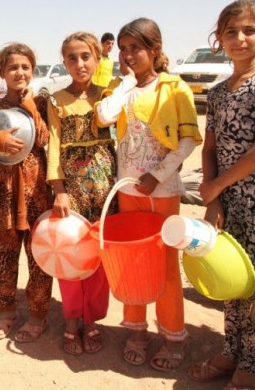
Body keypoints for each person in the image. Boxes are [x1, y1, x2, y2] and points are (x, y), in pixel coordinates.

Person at [189, 0, 255, 389]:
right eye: (231, 31)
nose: (240, 38)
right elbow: (209, 149)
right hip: (223, 200)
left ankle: (250, 367)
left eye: (249, 30)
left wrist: (216, 186)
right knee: (228, 278)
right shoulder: (216, 92)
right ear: (220, 38)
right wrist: (212, 200)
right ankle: (232, 351)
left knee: (252, 283)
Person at [96, 18, 202, 371]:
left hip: (162, 190)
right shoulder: (122, 87)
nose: (127, 55)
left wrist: (157, 175)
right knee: (134, 261)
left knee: (165, 265)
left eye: (135, 48)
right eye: (123, 49)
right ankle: (137, 330)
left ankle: (174, 336)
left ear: (155, 50)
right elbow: (103, 116)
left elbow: (188, 139)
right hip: (129, 190)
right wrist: (126, 80)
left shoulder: (174, 89)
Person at [0, 43, 53, 343]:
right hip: (5, 194)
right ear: (1, 72)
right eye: (12, 67)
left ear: (33, 71)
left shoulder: (42, 103)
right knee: (5, 254)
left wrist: (29, 107)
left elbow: (43, 138)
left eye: (25, 67)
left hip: (38, 194)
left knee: (39, 256)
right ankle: (6, 311)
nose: (19, 72)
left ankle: (39, 315)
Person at [47, 32, 115, 355]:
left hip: (104, 185)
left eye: (86, 56)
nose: (79, 64)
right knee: (71, 253)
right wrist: (58, 188)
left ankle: (92, 321)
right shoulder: (56, 100)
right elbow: (54, 146)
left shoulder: (108, 95)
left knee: (99, 256)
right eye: (72, 58)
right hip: (71, 186)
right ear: (64, 62)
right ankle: (72, 320)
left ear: (97, 58)